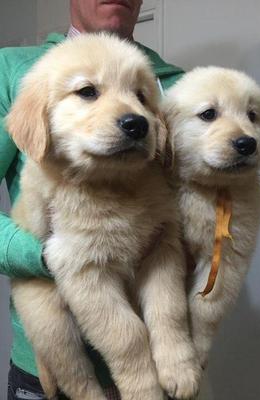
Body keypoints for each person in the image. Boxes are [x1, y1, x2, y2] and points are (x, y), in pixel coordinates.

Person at [0, 1, 184, 399]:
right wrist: (44, 256)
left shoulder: (178, 85)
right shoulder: (14, 70)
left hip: (163, 359)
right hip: (47, 360)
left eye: (140, 96)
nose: (132, 115)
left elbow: (207, 208)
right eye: (87, 91)